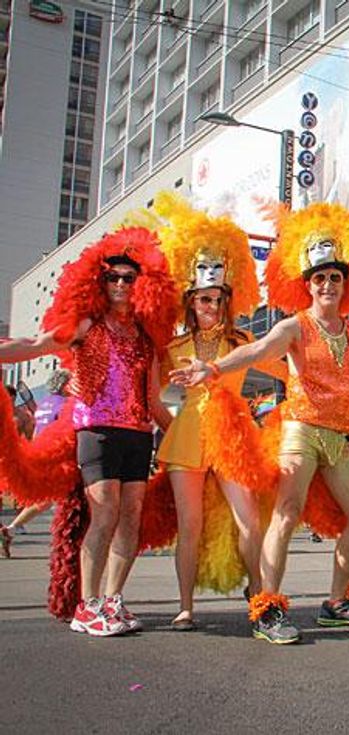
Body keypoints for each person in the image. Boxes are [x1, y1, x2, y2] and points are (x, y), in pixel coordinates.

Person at [171, 202, 349, 644]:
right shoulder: (295, 327)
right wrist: (213, 369)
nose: (327, 284)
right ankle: (267, 605)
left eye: (335, 277)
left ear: (346, 284)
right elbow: (259, 349)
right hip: (300, 431)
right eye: (319, 278)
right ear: (308, 286)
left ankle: (335, 601)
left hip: (337, 440)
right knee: (285, 514)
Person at [0, 227, 177, 635]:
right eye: (111, 277)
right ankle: (88, 604)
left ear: (141, 285)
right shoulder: (86, 325)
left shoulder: (147, 341)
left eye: (127, 278)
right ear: (100, 282)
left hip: (137, 434)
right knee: (105, 513)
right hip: (95, 432)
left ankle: (112, 601)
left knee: (131, 516)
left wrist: (189, 437)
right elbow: (37, 343)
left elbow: (153, 402)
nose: (119, 284)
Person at [151, 193, 288, 631]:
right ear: (190, 301)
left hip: (234, 438)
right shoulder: (172, 350)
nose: (211, 307)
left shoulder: (241, 344)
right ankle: (186, 606)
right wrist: (174, 427)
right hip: (187, 440)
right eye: (203, 299)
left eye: (217, 300)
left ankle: (259, 592)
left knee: (249, 520)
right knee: (189, 525)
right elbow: (149, 395)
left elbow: (288, 371)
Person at [0, 369, 72, 556]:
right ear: (65, 385)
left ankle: (11, 530)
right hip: (61, 459)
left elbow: (37, 434)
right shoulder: (67, 404)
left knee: (45, 500)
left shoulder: (44, 405)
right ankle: (68, 542)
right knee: (69, 500)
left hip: (43, 456)